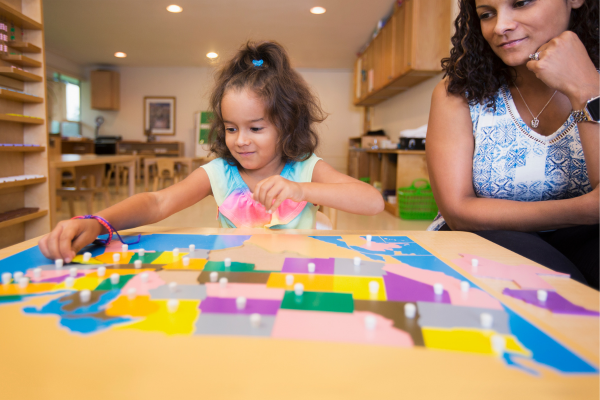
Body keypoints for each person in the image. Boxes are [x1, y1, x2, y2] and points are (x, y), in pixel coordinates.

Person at [39, 41, 384, 263]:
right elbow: (158, 202)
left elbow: (372, 202)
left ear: (287, 124)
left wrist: (301, 189)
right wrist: (99, 222)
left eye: (256, 128)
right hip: (233, 278)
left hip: (297, 281)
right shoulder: (220, 172)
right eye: (231, 128)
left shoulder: (305, 168)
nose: (241, 140)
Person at [426, 0, 599, 288]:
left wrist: (586, 88)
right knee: (550, 284)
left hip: (585, 238)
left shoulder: (593, 83)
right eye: (487, 14)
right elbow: (458, 211)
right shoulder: (457, 93)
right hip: (484, 234)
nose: (500, 26)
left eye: (521, 3)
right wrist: (585, 210)